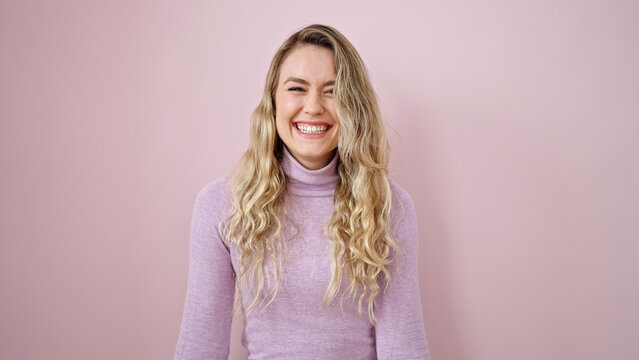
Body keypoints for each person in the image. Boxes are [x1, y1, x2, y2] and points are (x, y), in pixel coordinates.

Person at [173, 24, 431, 360]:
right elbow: (200, 347)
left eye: (332, 91)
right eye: (297, 88)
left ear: (353, 105)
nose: (313, 107)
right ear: (273, 101)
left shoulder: (389, 207)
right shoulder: (220, 205)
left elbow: (404, 348)